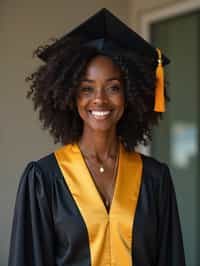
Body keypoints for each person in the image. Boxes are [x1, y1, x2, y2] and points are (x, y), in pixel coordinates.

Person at [8, 8, 186, 266]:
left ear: (131, 95)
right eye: (86, 88)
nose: (100, 99)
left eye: (113, 87)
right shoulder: (44, 179)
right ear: (71, 95)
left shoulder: (155, 179)